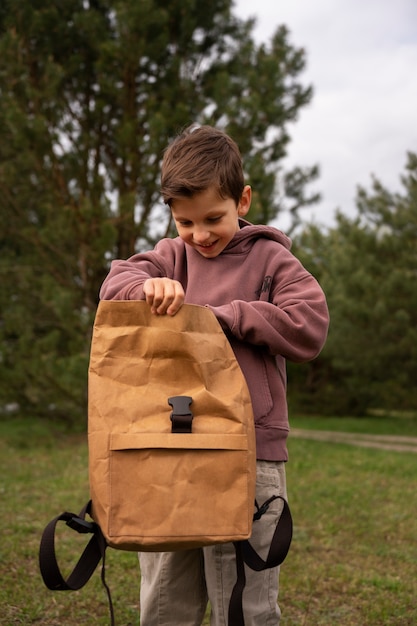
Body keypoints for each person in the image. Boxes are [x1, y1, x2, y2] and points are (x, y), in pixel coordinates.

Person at [100, 124, 329, 626]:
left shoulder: (273, 259)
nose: (200, 235)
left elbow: (309, 325)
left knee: (245, 600)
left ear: (242, 200)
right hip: (169, 445)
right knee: (166, 598)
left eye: (213, 218)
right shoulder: (171, 256)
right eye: (185, 221)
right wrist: (149, 288)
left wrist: (220, 316)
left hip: (250, 451)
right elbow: (116, 282)